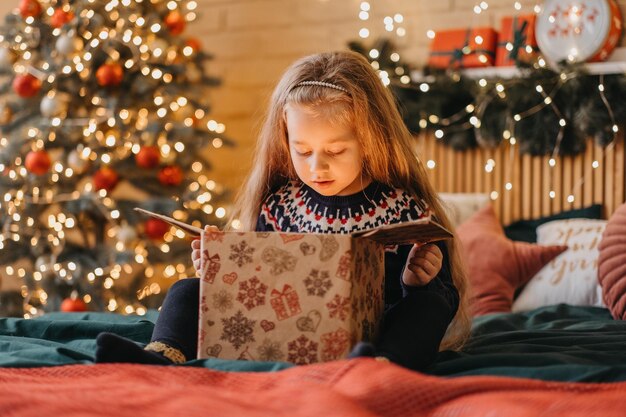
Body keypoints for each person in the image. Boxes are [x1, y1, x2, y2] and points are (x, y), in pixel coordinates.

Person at [95, 51, 471, 370]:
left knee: (428, 306)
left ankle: (378, 370)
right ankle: (162, 356)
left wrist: (417, 282)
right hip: (281, 328)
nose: (316, 167)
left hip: (369, 337)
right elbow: (255, 284)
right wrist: (222, 272)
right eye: (302, 151)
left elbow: (444, 300)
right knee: (186, 290)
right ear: (285, 140)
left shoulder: (401, 208)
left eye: (336, 151)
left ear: (370, 141)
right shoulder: (279, 206)